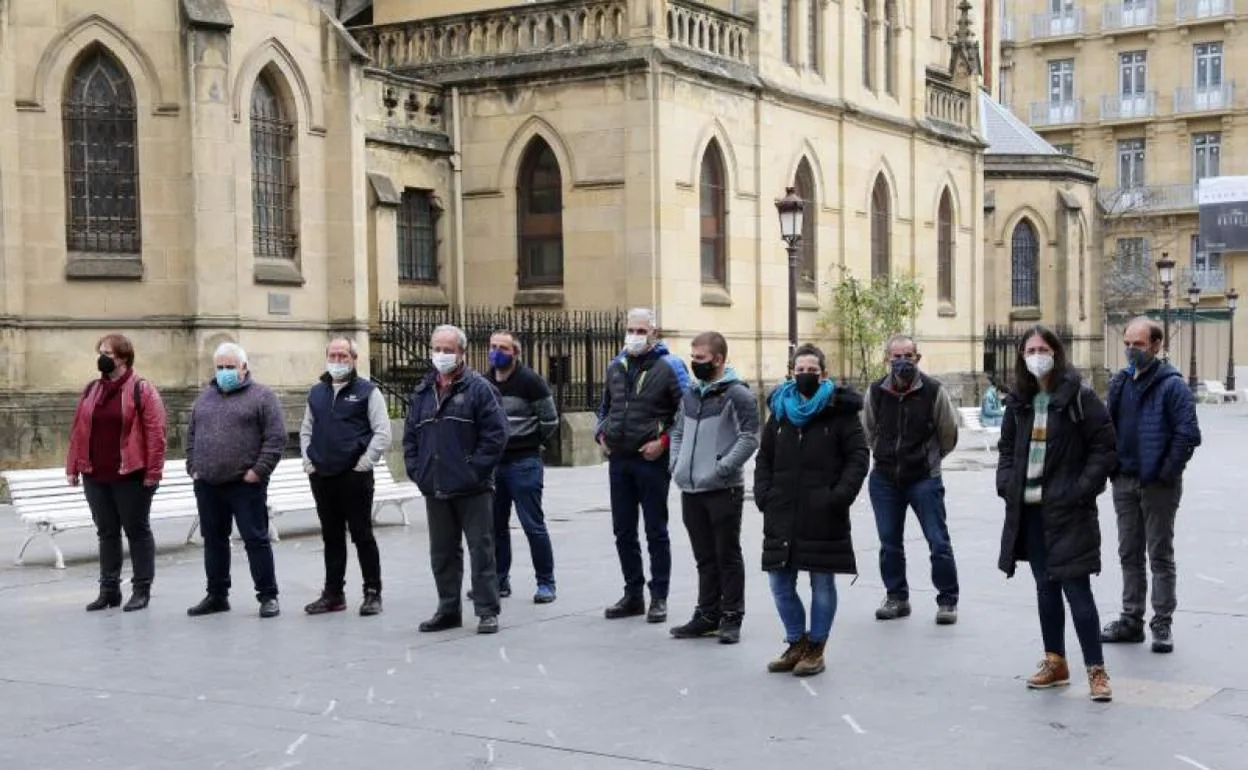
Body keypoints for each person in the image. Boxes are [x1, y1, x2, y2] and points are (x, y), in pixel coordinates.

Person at [996, 326, 1116, 702]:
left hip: (1068, 510)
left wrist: (1081, 490)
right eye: (1029, 349)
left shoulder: (1079, 397)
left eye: (1042, 348)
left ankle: (1096, 670)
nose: (1036, 355)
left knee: (1077, 589)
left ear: (1056, 352)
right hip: (1029, 510)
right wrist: (1006, 483)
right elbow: (1006, 449)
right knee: (1045, 588)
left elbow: (1104, 447)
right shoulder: (1019, 400)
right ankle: (1055, 662)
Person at [753, 345, 869, 676]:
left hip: (823, 512)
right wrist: (764, 495)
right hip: (782, 510)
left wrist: (838, 497)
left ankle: (816, 647)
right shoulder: (779, 412)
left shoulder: (840, 412)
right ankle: (796, 642)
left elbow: (859, 457)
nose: (805, 374)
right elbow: (765, 458)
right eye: (800, 369)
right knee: (780, 582)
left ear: (824, 374)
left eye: (812, 369)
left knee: (821, 582)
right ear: (791, 372)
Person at [1101, 318, 1201, 653]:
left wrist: (1165, 473)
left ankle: (1162, 624)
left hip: (1158, 485)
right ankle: (1131, 620)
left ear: (1156, 346)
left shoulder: (1173, 386)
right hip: (1124, 481)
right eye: (1127, 343)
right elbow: (1105, 425)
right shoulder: (1120, 382)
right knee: (1129, 552)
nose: (1130, 350)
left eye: (1138, 345)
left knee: (1159, 554)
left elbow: (1188, 434)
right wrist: (1112, 467)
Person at [404, 324, 509, 635]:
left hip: (472, 486)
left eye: (448, 350)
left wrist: (475, 469)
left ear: (461, 353)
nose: (441, 355)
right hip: (435, 484)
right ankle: (448, 608)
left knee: (481, 548)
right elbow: (411, 436)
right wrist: (417, 470)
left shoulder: (479, 389)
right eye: (437, 349)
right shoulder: (423, 392)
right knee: (442, 552)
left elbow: (496, 435)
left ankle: (487, 610)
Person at [595, 308, 691, 624]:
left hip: (650, 460)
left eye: (641, 331)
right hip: (619, 459)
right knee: (623, 530)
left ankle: (659, 597)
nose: (634, 336)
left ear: (654, 332)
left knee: (655, 530)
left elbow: (687, 411)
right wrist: (601, 433)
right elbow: (605, 406)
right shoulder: (616, 365)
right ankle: (633, 594)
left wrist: (662, 444)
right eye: (631, 330)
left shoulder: (670, 366)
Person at [668, 331, 760, 644]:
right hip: (691, 489)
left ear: (718, 359)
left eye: (701, 359)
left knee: (727, 554)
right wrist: (676, 465)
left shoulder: (738, 395)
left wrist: (722, 469)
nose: (695, 364)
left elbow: (750, 438)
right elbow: (678, 431)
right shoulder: (691, 393)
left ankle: (731, 616)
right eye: (693, 358)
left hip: (723, 490)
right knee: (704, 556)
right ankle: (706, 614)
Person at [863, 334, 961, 624]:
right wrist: (884, 454)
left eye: (908, 356)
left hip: (923, 479)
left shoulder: (933, 390)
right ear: (887, 359)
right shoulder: (876, 391)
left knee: (938, 542)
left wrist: (929, 460)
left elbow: (948, 433)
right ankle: (896, 598)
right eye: (897, 356)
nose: (902, 362)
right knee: (889, 542)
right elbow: (869, 429)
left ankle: (947, 601)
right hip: (884, 480)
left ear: (917, 358)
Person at [66, 334, 167, 612]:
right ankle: (109, 590)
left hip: (130, 474)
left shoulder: (142, 389)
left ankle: (141, 589)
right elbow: (78, 429)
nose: (102, 358)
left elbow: (156, 434)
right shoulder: (91, 389)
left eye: (108, 353)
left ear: (123, 357)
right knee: (106, 532)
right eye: (100, 352)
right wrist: (73, 466)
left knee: (137, 531)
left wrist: (153, 473)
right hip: (96, 474)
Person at [185, 342, 286, 619]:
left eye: (231, 367)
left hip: (246, 484)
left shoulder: (263, 397)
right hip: (208, 483)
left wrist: (258, 471)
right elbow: (191, 436)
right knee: (214, 540)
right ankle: (217, 595)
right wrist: (193, 467)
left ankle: (268, 596)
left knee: (256, 539)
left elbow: (276, 438)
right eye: (220, 367)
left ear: (244, 367)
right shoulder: (204, 398)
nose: (225, 372)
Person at [300, 337, 392, 617]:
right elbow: (306, 429)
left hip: (354, 476)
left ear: (354, 359)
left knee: (362, 535)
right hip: (323, 476)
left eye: (344, 356)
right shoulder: (316, 392)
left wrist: (365, 463)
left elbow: (382, 432)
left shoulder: (367, 392)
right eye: (333, 355)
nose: (338, 361)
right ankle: (333, 593)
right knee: (331, 537)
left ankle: (372, 592)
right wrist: (309, 462)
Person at [486, 330, 559, 604]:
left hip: (523, 462)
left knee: (533, 525)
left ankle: (546, 582)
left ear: (515, 352)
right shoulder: (485, 382)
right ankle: (499, 580)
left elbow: (550, 421)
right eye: (493, 347)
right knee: (496, 526)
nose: (496, 352)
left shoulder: (531, 381)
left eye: (503, 347)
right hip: (494, 464)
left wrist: (530, 442)